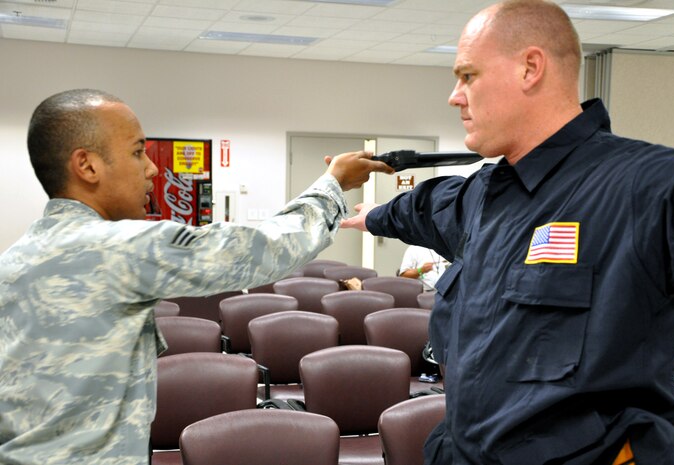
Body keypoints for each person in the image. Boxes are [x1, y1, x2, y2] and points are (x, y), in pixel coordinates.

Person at [342, 1, 674, 464]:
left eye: (468, 76)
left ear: (531, 68)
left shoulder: (653, 187)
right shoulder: (483, 197)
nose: (455, 96)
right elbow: (421, 209)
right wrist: (370, 215)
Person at [0, 88, 393, 465]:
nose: (153, 169)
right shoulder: (115, 249)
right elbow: (264, 248)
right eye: (138, 152)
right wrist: (333, 184)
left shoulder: (16, 260)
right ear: (87, 165)